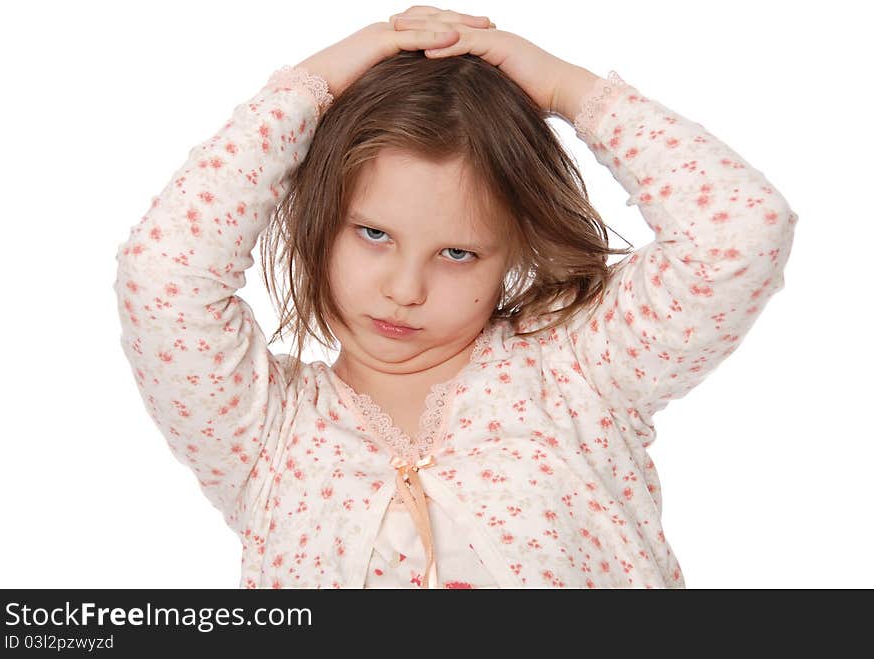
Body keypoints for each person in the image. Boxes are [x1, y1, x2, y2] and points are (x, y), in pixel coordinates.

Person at [113, 7, 798, 588]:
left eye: (458, 253)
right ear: (319, 222)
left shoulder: (579, 371)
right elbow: (161, 276)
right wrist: (309, 89)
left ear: (514, 253)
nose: (404, 290)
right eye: (374, 233)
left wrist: (566, 89)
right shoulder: (264, 435)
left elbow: (740, 230)